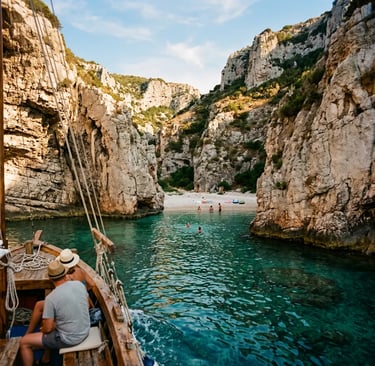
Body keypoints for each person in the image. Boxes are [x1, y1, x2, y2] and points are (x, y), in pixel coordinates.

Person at [20, 260, 90, 366]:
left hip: (69, 339)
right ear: (65, 274)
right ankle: (45, 358)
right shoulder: (79, 285)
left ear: (50, 278)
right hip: (85, 330)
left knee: (24, 342)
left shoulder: (51, 298)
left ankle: (32, 341)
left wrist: (43, 329)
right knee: (42, 308)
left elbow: (48, 329)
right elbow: (86, 305)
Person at [25, 249, 94, 336]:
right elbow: (92, 284)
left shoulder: (67, 277)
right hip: (86, 304)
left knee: (40, 306)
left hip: (71, 306)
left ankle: (30, 333)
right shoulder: (81, 271)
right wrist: (83, 291)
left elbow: (64, 294)